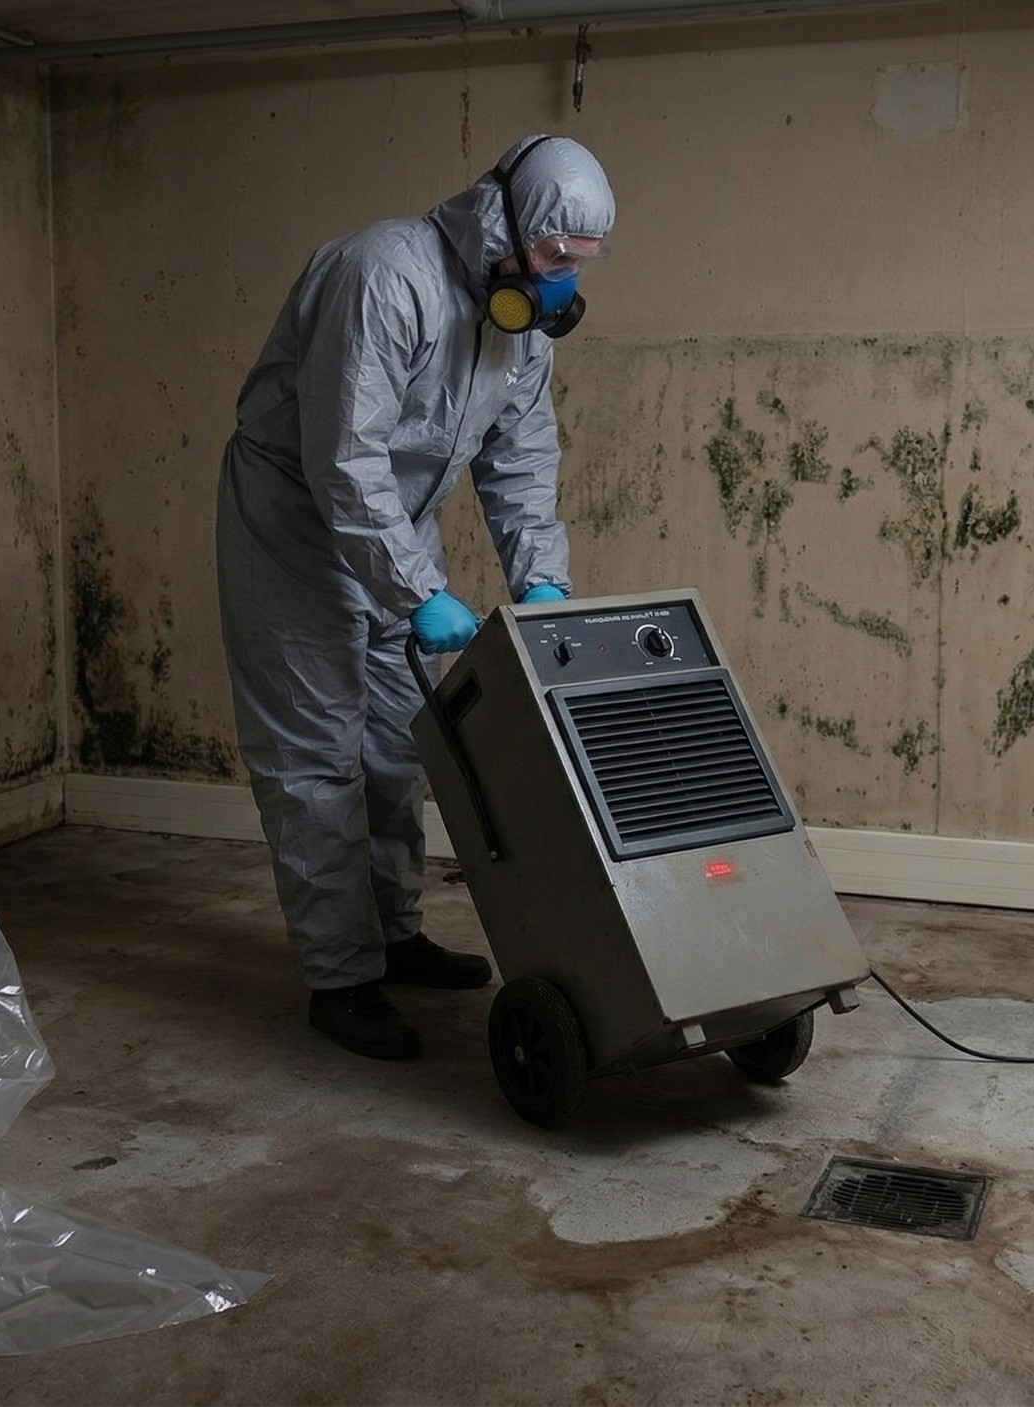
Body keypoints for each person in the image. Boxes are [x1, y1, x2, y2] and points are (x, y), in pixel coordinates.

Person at [216, 134, 615, 1060]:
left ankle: (392, 933)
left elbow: (521, 460)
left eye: (578, 266)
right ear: (502, 221)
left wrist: (541, 576)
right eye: (553, 258)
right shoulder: (381, 275)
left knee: (402, 742)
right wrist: (420, 589)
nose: (561, 283)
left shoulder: (518, 325)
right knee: (317, 756)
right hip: (296, 523)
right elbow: (343, 462)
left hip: (395, 528)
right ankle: (340, 977)